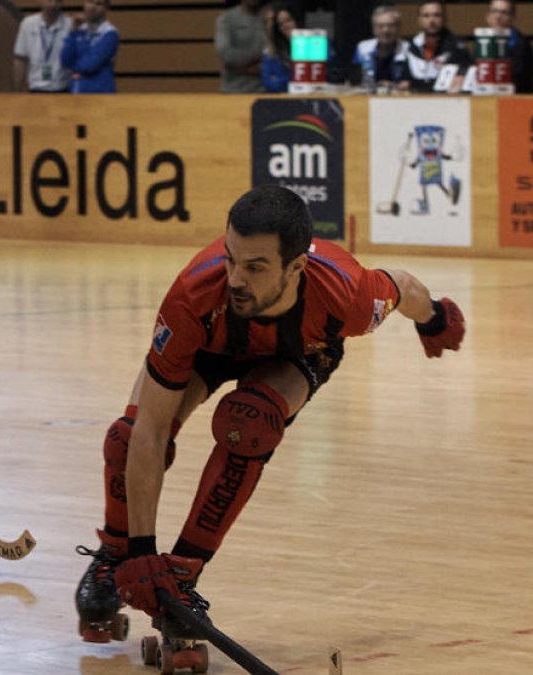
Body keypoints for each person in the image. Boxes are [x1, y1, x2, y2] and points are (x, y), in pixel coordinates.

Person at [72, 185, 465, 643]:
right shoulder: (192, 297)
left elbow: (403, 286)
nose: (236, 278)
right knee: (126, 438)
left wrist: (434, 317)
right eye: (230, 258)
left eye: (255, 267)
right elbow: (151, 430)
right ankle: (114, 554)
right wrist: (140, 550)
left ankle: (182, 575)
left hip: (295, 353)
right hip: (210, 343)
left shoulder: (347, 295)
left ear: (296, 267)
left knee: (250, 424)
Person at [398, 0, 473, 93]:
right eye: (426, 16)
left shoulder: (457, 48)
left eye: (436, 15)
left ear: (445, 19)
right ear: (419, 20)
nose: (431, 20)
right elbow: (403, 80)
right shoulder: (409, 47)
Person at [59, 0, 119, 94]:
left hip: (101, 93)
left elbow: (89, 66)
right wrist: (73, 31)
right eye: (90, 2)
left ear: (106, 7)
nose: (93, 7)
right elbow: (65, 61)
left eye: (99, 4)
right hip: (76, 92)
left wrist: (74, 67)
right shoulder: (78, 30)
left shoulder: (110, 33)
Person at [12, 0, 72, 93]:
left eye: (57, 1)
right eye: (49, 0)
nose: (53, 4)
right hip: (36, 87)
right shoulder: (28, 24)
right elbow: (20, 59)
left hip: (62, 87)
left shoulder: (70, 25)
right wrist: (17, 91)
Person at [352, 5, 409, 92]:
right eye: (380, 26)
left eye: (391, 26)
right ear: (374, 29)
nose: (385, 30)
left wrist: (391, 85)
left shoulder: (408, 49)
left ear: (398, 28)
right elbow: (355, 80)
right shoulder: (363, 48)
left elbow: (411, 83)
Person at [215, 0, 267, 93]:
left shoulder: (269, 18)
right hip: (232, 90)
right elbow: (227, 55)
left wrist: (239, 69)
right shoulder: (227, 19)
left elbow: (276, 56)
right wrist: (260, 56)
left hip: (264, 91)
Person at [483, 0, 533, 93]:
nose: (498, 17)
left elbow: (518, 77)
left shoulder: (520, 44)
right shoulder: (483, 42)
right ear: (487, 16)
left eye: (504, 12)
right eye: (494, 11)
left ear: (512, 18)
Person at [260, 2, 299, 93]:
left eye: (288, 20)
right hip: (281, 100)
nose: (286, 26)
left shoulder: (313, 43)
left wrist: (282, 79)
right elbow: (269, 84)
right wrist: (294, 81)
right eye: (280, 24)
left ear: (296, 20)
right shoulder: (271, 50)